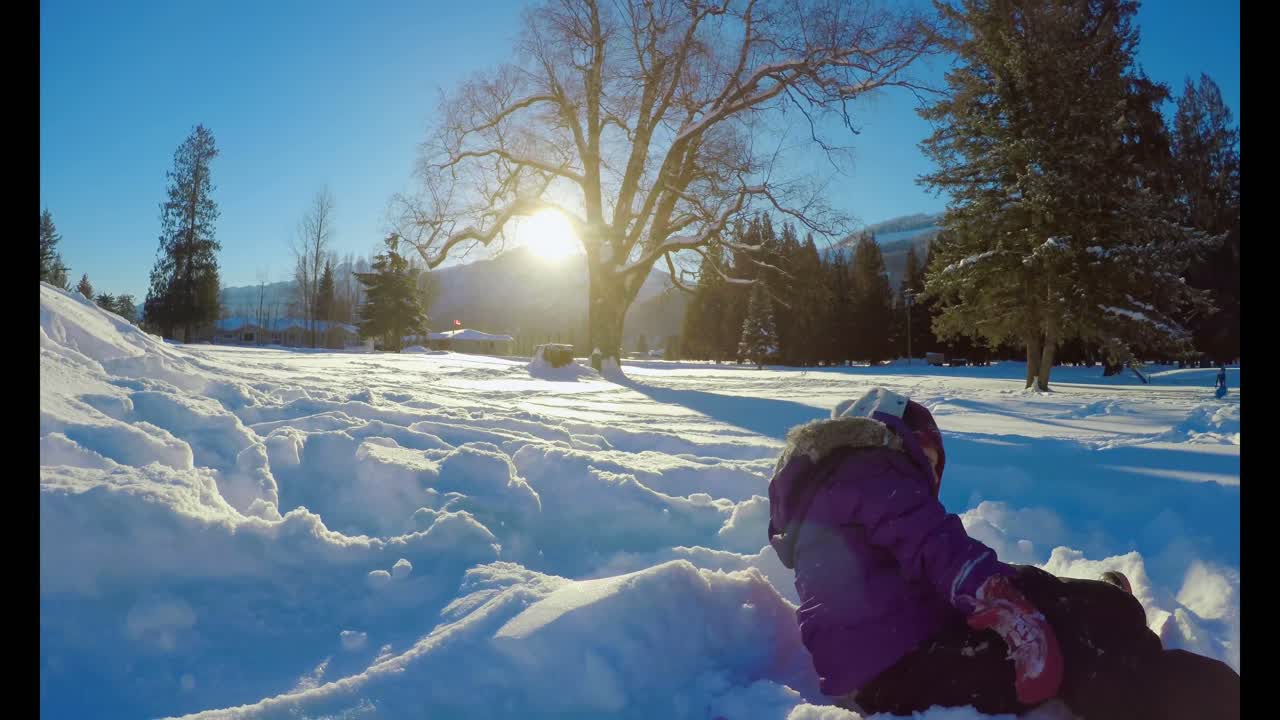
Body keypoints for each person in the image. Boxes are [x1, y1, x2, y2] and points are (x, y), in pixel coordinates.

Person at [767, 386, 1240, 719]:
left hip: (891, 662)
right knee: (1078, 648)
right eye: (928, 459)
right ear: (895, 436)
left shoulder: (829, 495)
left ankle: (1098, 602)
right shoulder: (873, 471)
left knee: (1031, 583)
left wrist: (1012, 586)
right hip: (907, 670)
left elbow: (903, 576)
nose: (928, 478)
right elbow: (938, 547)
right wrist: (1003, 602)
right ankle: (1200, 694)